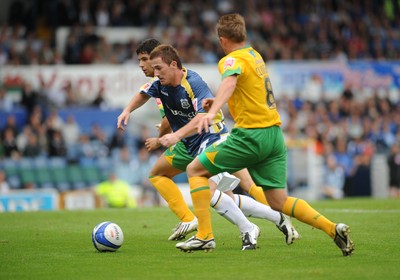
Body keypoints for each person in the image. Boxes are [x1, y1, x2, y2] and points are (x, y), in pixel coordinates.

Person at [171, 13, 354, 256]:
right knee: (279, 201)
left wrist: (213, 110)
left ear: (222, 39)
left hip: (251, 136)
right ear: (243, 34)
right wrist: (216, 101)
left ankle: (205, 236)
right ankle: (333, 229)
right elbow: (247, 90)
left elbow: (230, 83)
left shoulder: (230, 59)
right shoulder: (255, 55)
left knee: (195, 170)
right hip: (274, 136)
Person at [117, 40, 299, 250]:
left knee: (220, 189)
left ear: (168, 62)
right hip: (189, 144)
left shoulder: (189, 81)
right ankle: (273, 218)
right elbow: (154, 103)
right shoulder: (157, 85)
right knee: (211, 191)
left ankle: (243, 227)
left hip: (212, 138)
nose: (142, 65)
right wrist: (128, 111)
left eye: (144, 60)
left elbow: (185, 117)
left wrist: (165, 137)